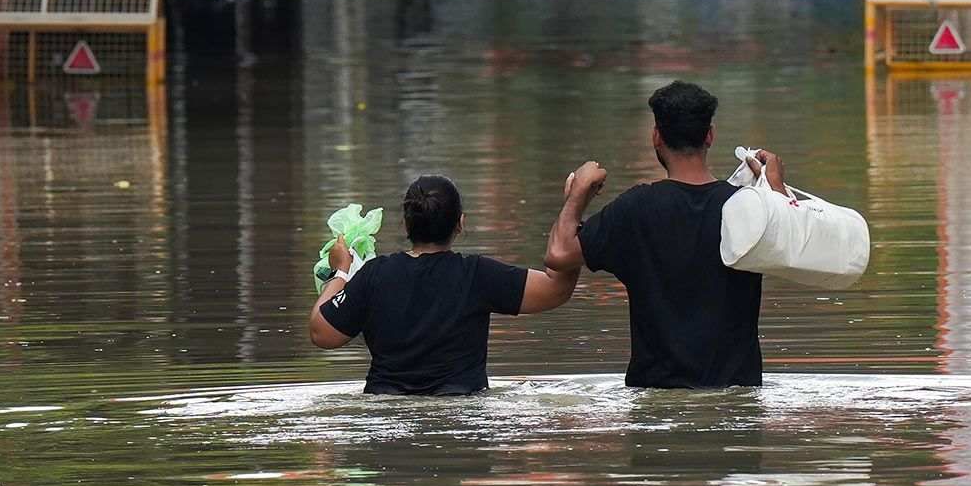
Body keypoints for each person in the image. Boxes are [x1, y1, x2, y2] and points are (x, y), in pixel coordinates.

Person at [545, 81, 786, 389]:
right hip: (737, 398)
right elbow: (789, 248)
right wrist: (775, 193)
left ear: (656, 137)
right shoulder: (747, 208)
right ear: (710, 135)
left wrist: (577, 194)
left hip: (655, 399)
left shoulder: (635, 209)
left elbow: (559, 255)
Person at [308, 174, 578, 395]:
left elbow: (322, 333)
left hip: (386, 412)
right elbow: (557, 288)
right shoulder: (477, 274)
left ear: (405, 225)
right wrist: (574, 208)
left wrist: (341, 271)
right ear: (460, 223)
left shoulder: (374, 275)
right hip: (462, 408)